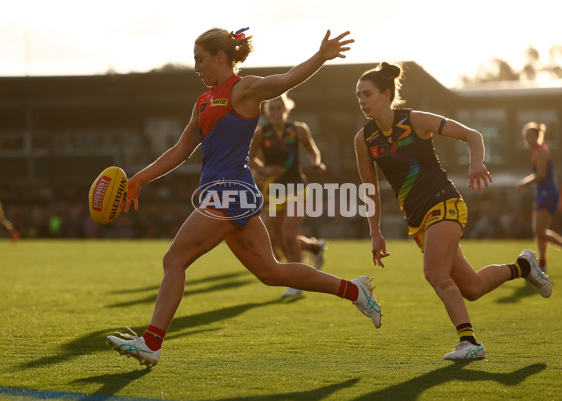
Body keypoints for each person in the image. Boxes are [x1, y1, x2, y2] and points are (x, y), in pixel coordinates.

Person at [106, 27, 381, 368]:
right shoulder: (203, 102)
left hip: (231, 193)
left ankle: (152, 342)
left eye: (199, 59)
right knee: (271, 273)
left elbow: (288, 78)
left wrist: (320, 56)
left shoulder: (244, 89)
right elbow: (179, 150)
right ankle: (355, 290)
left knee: (174, 259)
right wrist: (138, 180)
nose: (196, 68)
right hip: (230, 194)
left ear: (220, 57)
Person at [353, 62, 551, 360]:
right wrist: (375, 232)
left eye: (367, 94)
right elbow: (369, 189)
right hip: (417, 219)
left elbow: (473, 135)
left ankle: (470, 342)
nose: (362, 101)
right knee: (472, 287)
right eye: (358, 96)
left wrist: (476, 162)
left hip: (444, 203)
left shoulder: (416, 120)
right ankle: (524, 267)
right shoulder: (364, 138)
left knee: (434, 272)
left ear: (386, 94)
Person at [248, 93, 328, 296]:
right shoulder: (261, 133)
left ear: (286, 109)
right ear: (267, 112)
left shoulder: (298, 129)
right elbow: (248, 158)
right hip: (273, 189)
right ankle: (314, 247)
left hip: (296, 186)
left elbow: (312, 149)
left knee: (288, 234)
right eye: (271, 109)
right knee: (280, 239)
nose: (275, 112)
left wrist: (316, 162)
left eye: (279, 107)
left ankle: (296, 281)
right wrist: (265, 171)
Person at [517, 122, 562, 272]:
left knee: (540, 231)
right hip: (542, 193)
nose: (529, 140)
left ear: (538, 137)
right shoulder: (536, 152)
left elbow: (541, 175)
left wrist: (523, 183)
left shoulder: (541, 151)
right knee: (540, 231)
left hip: (548, 193)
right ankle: (543, 265)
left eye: (531, 136)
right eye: (526, 137)